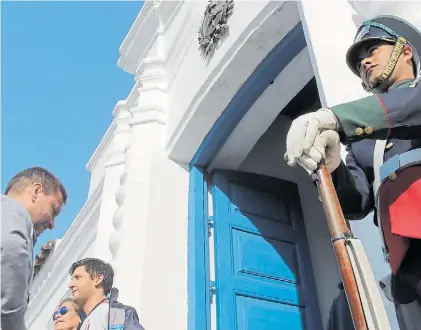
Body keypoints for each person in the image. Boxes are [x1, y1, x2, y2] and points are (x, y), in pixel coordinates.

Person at [285, 15, 421, 329]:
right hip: (405, 265)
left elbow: (407, 107)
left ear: (405, 52)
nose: (365, 61)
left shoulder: (395, 107)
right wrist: (333, 165)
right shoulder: (364, 140)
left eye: (373, 49)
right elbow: (357, 203)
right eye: (359, 59)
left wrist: (333, 118)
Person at [1, 167, 67, 330]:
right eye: (53, 210)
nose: (52, 224)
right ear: (36, 191)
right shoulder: (15, 217)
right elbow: (11, 246)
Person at [68, 258, 114, 330]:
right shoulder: (85, 323)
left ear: (98, 279)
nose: (70, 285)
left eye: (77, 277)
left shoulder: (116, 314)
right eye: (72, 279)